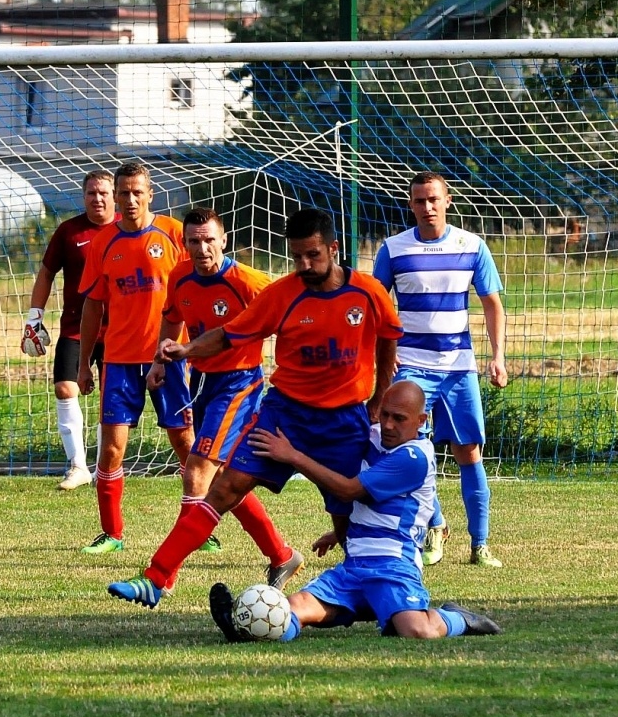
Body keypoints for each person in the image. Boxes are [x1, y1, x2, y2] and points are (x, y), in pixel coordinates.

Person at [107, 207, 401, 608]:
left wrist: (379, 398)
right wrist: (186, 350)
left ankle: (362, 589)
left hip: (343, 419)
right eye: (296, 256)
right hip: (284, 415)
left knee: (347, 513)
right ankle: (155, 579)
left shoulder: (367, 292)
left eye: (313, 255)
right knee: (225, 486)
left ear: (333, 248)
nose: (304, 264)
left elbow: (388, 338)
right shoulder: (282, 294)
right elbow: (229, 336)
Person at [106, 209, 302, 606]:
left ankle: (160, 577)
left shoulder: (247, 281)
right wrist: (160, 362)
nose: (202, 248)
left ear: (224, 240)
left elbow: (294, 315)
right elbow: (172, 320)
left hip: (241, 385)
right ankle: (282, 555)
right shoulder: (179, 277)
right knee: (224, 482)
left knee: (196, 470)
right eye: (194, 241)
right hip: (204, 383)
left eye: (209, 240)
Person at [207, 381, 502, 642]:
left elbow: (348, 490)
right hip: (354, 567)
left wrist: (292, 455)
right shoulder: (373, 436)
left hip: (393, 566)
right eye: (385, 414)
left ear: (421, 421)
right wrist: (338, 532)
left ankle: (456, 618)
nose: (387, 424)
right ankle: (244, 628)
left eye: (399, 419)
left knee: (416, 631)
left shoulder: (414, 457)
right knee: (292, 608)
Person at [372, 172, 508, 569]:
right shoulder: (393, 250)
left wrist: (497, 356)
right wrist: (384, 354)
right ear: (410, 205)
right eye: (419, 201)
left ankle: (479, 544)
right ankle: (436, 526)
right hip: (411, 368)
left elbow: (492, 305)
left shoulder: (472, 246)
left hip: (458, 369)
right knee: (410, 450)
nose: (427, 207)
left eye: (433, 199)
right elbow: (377, 308)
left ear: (447, 200)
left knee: (469, 451)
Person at [74, 162, 196, 553]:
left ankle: (200, 529)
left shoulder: (175, 234)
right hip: (120, 360)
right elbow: (92, 306)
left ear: (150, 194)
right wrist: (83, 366)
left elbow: (199, 289)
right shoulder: (102, 242)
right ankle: (111, 534)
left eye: (136, 192)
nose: (129, 200)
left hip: (171, 357)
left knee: (186, 443)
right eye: (123, 193)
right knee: (111, 448)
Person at [22, 170, 117, 491]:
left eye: (103, 192)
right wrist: (34, 317)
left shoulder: (127, 231)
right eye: (91, 193)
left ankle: (106, 467)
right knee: (65, 388)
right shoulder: (69, 231)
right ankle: (78, 466)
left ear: (114, 195)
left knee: (111, 401)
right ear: (84, 196)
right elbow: (46, 274)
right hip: (75, 328)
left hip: (119, 331)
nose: (97, 198)